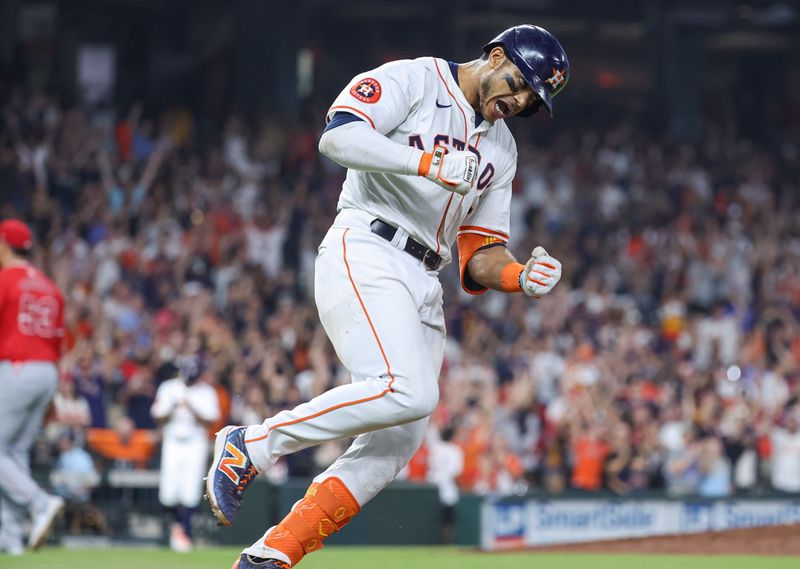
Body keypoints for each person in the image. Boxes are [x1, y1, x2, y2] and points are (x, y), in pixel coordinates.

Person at [205, 24, 569, 569]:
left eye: (530, 99)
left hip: (427, 276)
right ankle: (251, 446)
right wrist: (424, 163)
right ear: (495, 56)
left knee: (396, 443)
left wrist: (521, 276)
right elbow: (337, 136)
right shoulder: (416, 79)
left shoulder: (503, 148)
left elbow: (480, 251)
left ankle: (271, 555)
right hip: (368, 243)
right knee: (407, 391)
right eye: (517, 83)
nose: (516, 101)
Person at [0, 219, 66, 555]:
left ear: (4, 245)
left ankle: (40, 503)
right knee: (13, 453)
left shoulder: (5, 279)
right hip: (46, 372)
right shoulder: (49, 286)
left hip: (17, 366)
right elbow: (58, 342)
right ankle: (10, 539)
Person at [151, 356, 220, 552]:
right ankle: (176, 527)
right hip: (173, 440)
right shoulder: (169, 387)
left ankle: (184, 531)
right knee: (169, 490)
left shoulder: (206, 391)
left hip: (195, 442)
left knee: (190, 490)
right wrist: (174, 407)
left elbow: (211, 421)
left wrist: (191, 408)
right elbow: (157, 415)